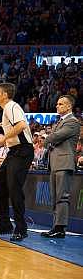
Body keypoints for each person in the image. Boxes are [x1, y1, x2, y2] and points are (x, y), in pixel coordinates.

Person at [0, 83, 34, 241]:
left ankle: (21, 228)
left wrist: (4, 137)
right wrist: (1, 140)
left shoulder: (11, 106)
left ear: (5, 95)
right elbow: (14, 132)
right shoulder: (6, 110)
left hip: (23, 151)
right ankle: (4, 225)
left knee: (14, 188)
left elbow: (21, 125)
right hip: (14, 151)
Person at [42, 95, 80, 238]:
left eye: (60, 104)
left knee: (62, 197)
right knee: (55, 197)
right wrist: (50, 138)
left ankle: (60, 227)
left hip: (64, 163)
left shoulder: (72, 122)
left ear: (69, 106)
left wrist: (47, 139)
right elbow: (55, 136)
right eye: (57, 103)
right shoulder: (60, 122)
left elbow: (56, 137)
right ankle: (55, 226)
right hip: (55, 163)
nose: (57, 106)